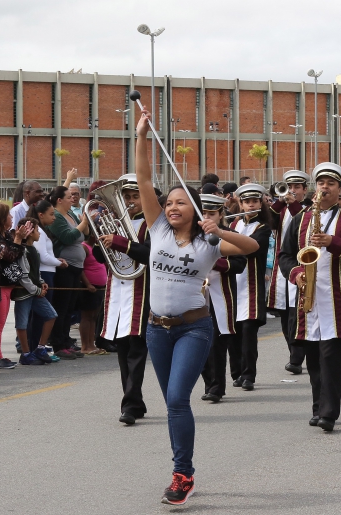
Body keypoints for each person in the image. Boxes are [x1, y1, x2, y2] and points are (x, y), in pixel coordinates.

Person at [135, 106, 259, 504]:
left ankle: (182, 474)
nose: (172, 207)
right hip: (156, 328)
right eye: (168, 202)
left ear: (194, 210)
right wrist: (140, 135)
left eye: (180, 204)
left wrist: (219, 228)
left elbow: (252, 247)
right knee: (173, 405)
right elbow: (142, 178)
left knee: (175, 399)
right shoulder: (156, 229)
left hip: (193, 328)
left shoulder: (209, 242)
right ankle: (181, 468)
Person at [277, 162, 341, 432]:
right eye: (321, 183)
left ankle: (329, 413)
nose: (325, 188)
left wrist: (334, 243)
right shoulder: (301, 218)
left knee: (330, 358)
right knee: (314, 360)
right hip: (309, 300)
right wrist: (295, 274)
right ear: (315, 188)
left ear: (339, 189)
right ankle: (318, 408)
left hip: (337, 300)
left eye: (331, 183)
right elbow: (284, 255)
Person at [93, 174, 152, 424]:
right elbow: (99, 257)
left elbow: (149, 254)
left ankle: (129, 405)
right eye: (125, 197)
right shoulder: (114, 223)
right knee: (123, 350)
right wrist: (99, 240)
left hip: (141, 290)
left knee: (136, 350)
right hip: (117, 292)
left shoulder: (153, 224)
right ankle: (134, 402)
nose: (129, 201)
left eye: (134, 196)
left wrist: (118, 242)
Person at [199, 194, 247, 403]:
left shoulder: (230, 234)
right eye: (204, 213)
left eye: (212, 213)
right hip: (195, 296)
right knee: (197, 344)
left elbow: (240, 264)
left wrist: (216, 263)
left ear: (220, 215)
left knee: (217, 344)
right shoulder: (189, 234)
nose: (207, 217)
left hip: (221, 295)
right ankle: (209, 382)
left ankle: (217, 387)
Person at [227, 183, 273, 391]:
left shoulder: (263, 227)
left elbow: (251, 246)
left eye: (255, 201)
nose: (251, 204)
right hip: (233, 284)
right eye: (247, 202)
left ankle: (248, 375)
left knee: (248, 335)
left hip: (252, 286)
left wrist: (227, 240)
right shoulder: (234, 225)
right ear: (241, 204)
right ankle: (236, 373)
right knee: (233, 334)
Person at [266, 170, 309, 374]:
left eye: (296, 188)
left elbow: (302, 221)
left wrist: (292, 203)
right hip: (281, 268)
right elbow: (266, 220)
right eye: (289, 187)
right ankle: (294, 351)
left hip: (303, 267)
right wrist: (279, 202)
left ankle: (296, 358)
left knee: (297, 314)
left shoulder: (309, 209)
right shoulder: (281, 209)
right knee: (285, 315)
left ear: (305, 190)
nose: (291, 191)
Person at [45, 186, 91, 360]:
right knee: (62, 307)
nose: (72, 198)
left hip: (76, 267)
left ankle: (65, 341)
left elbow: (84, 235)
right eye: (68, 196)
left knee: (70, 307)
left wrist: (85, 223)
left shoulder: (70, 214)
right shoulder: (56, 216)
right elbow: (68, 237)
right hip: (65, 267)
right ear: (59, 200)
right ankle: (58, 343)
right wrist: (84, 223)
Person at [12, 217, 58, 365]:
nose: (39, 233)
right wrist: (36, 290)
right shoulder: (23, 250)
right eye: (37, 230)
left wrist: (42, 282)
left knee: (51, 315)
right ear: (30, 233)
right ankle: (25, 353)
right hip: (25, 293)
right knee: (22, 323)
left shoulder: (34, 250)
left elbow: (35, 272)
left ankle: (40, 347)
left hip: (36, 291)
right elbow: (23, 275)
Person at [0, 202, 25, 369]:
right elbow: (10, 255)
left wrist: (16, 240)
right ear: (1, 219)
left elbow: (19, 252)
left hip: (8, 284)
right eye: (8, 215)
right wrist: (18, 240)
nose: (11, 218)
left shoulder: (6, 234)